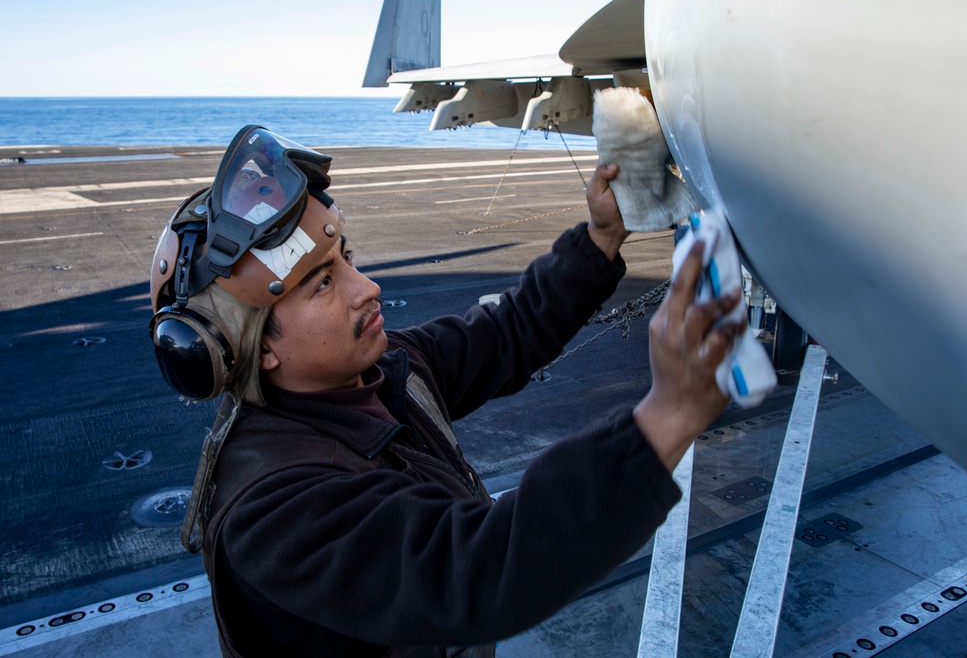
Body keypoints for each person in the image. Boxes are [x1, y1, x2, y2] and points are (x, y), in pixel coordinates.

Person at [149, 125, 744, 658]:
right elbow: (480, 569)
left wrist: (601, 238)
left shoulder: (384, 369)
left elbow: (511, 331)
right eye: (323, 283)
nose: (368, 288)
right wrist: (667, 415)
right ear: (258, 345)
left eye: (347, 258)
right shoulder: (274, 511)